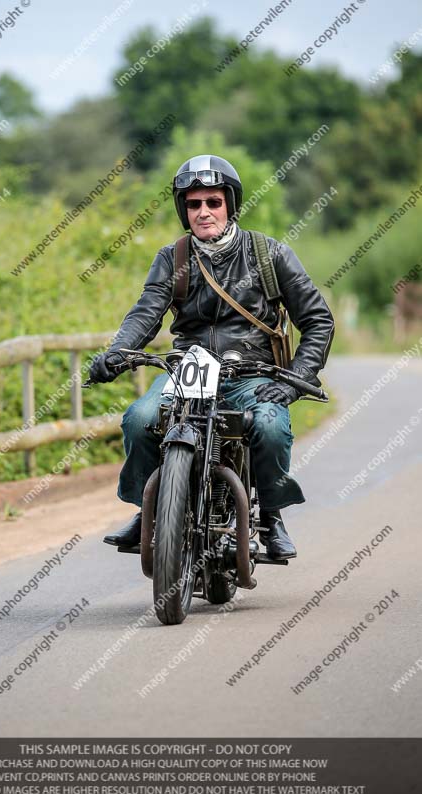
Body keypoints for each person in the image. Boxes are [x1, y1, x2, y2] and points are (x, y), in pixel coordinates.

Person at [89, 155, 334, 559]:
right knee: (140, 418)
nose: (204, 212)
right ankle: (147, 512)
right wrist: (117, 352)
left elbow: (318, 320)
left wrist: (293, 379)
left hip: (254, 371)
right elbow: (146, 313)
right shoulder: (173, 258)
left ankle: (271, 517)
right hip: (190, 368)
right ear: (184, 210)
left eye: (213, 202)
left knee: (270, 426)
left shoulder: (269, 255)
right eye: (194, 204)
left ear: (230, 204)